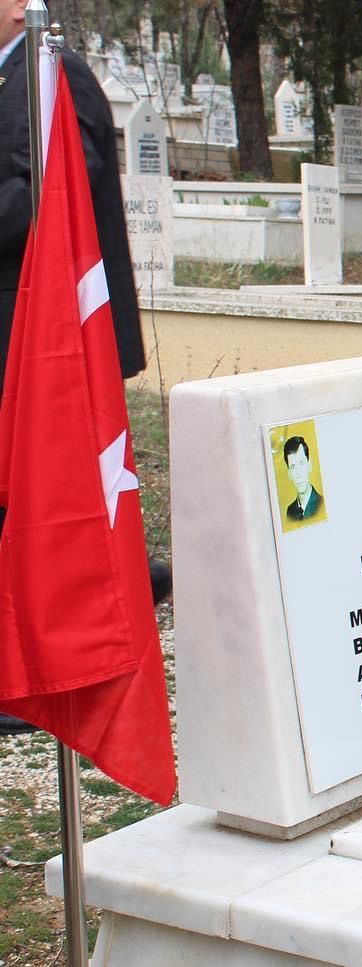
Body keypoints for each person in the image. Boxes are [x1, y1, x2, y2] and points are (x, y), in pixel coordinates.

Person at [0, 5, 161, 737]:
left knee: (47, 499)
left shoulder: (49, 73)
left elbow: (59, 188)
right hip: (19, 333)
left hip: (47, 337)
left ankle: (46, 671)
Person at [283, 436, 324, 521]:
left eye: (301, 463)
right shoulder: (290, 512)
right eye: (293, 467)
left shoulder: (322, 505)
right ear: (289, 473)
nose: (298, 474)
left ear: (309, 465)